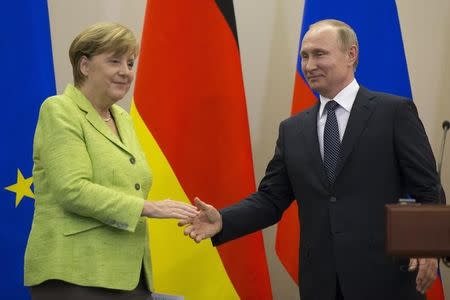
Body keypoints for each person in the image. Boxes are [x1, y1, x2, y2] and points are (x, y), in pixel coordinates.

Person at [181, 19, 443, 300]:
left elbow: (427, 187)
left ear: (351, 55)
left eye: (319, 54)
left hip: (385, 280)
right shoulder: (292, 129)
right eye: (304, 56)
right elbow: (271, 199)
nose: (309, 65)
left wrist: (428, 246)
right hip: (321, 282)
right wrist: (223, 219)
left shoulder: (393, 113)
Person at [24, 22, 198, 300]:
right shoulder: (59, 110)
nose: (126, 72)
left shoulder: (123, 119)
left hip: (131, 275)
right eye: (114, 61)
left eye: (130, 63)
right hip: (75, 274)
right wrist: (149, 208)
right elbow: (72, 189)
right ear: (84, 66)